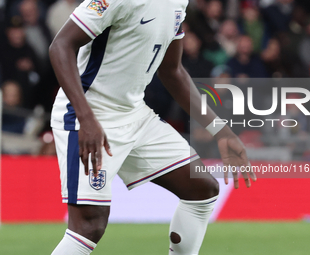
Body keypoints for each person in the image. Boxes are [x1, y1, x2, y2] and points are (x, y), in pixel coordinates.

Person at [49, 0, 256, 254]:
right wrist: (86, 118)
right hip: (88, 112)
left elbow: (173, 71)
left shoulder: (179, 3)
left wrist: (221, 131)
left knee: (202, 190)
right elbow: (60, 45)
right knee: (89, 226)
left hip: (134, 114)